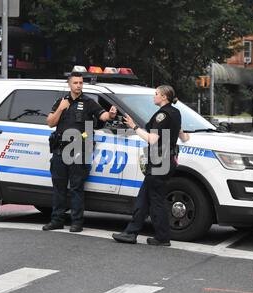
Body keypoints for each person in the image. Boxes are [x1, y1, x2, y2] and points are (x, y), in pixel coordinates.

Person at [112, 85, 189, 246]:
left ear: (164, 97)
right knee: (144, 199)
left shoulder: (162, 115)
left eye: (156, 94)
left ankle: (162, 237)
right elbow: (184, 137)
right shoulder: (176, 112)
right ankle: (131, 233)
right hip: (168, 159)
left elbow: (152, 139)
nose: (154, 96)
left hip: (159, 160)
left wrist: (133, 126)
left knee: (156, 200)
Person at [43, 72, 117, 232]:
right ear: (69, 84)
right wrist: (60, 109)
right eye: (75, 82)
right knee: (59, 187)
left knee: (76, 187)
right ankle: (57, 220)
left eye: (81, 83)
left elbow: (102, 116)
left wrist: (110, 115)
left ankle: (77, 222)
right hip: (60, 149)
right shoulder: (60, 102)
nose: (78, 85)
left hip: (78, 150)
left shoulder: (88, 102)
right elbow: (50, 123)